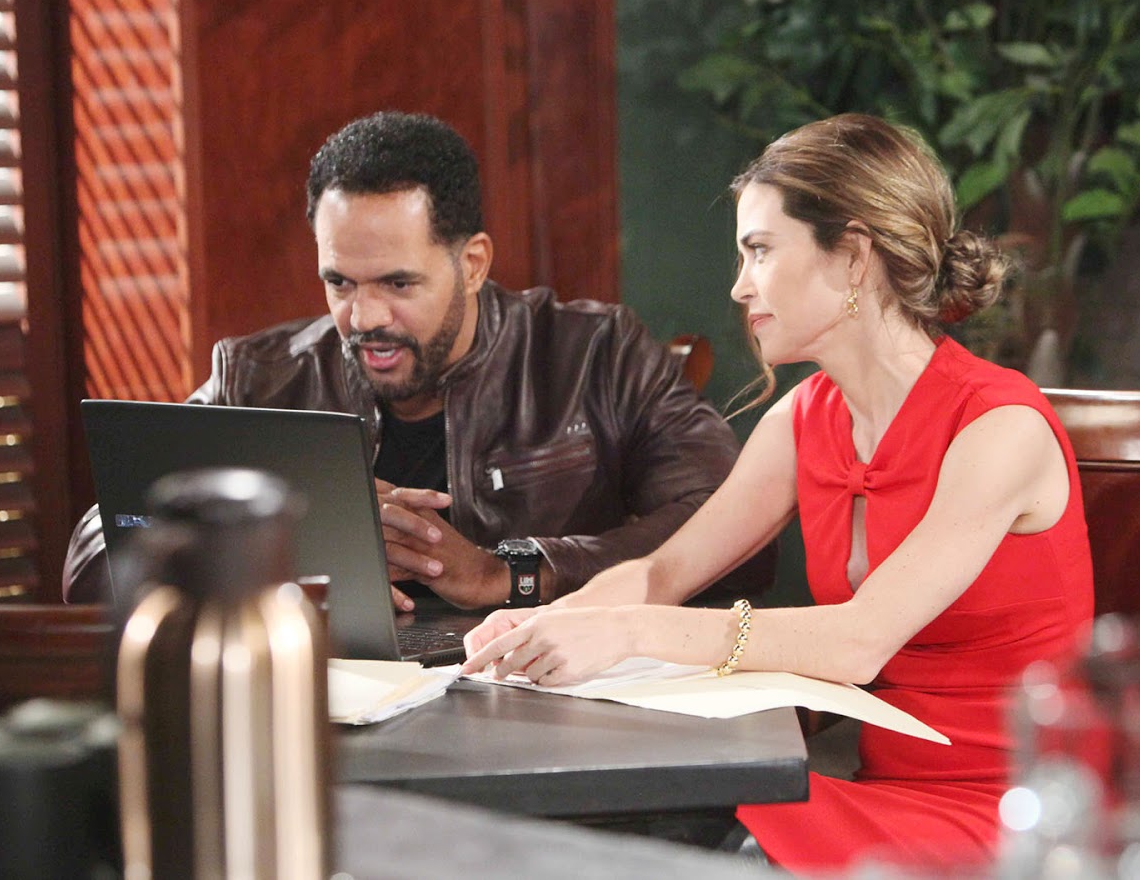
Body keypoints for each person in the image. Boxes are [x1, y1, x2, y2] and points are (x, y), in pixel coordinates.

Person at [461, 113, 1095, 872]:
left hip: (1020, 819)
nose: (739, 285)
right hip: (883, 800)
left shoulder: (999, 427)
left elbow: (859, 641)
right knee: (634, 821)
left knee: (677, 837)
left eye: (759, 250)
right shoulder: (803, 420)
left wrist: (630, 632)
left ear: (853, 255)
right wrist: (542, 628)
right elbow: (663, 573)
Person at [63, 111, 774, 608]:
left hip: (545, 701)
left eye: (398, 284)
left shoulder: (596, 354)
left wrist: (514, 573)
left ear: (473, 263)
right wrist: (299, 538)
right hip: (338, 714)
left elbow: (739, 536)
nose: (365, 317)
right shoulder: (259, 378)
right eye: (340, 283)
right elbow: (97, 556)